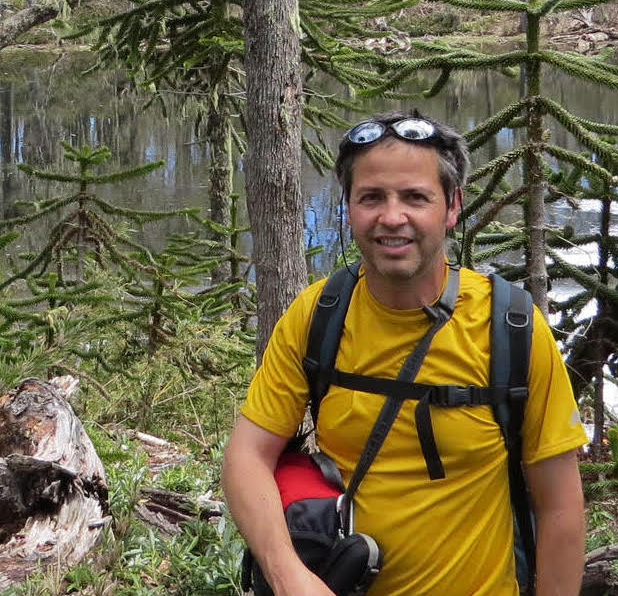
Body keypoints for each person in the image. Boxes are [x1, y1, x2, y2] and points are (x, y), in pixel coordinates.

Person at [223, 113, 587, 596]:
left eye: (415, 197)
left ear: (452, 207)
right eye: (371, 197)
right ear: (349, 208)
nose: (392, 217)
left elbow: (560, 507)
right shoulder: (318, 316)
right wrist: (289, 576)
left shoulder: (510, 326)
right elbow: (247, 456)